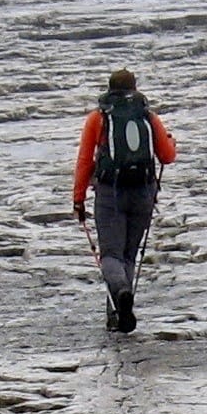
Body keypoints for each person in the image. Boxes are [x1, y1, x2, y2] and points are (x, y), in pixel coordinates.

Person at [72, 70, 177, 331]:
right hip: (144, 192)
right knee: (129, 254)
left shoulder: (98, 118)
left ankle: (120, 297)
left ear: (109, 90)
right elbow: (167, 156)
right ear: (134, 88)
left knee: (110, 255)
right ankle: (118, 314)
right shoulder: (148, 116)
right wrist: (171, 142)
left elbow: (85, 161)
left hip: (110, 193)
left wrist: (78, 199)